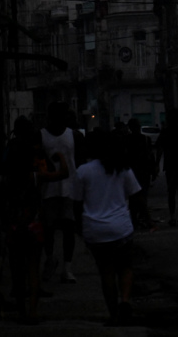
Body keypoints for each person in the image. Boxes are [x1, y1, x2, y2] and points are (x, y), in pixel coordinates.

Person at [73, 130, 142, 326]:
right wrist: (139, 219)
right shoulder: (123, 169)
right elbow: (136, 195)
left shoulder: (83, 171)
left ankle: (113, 314)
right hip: (121, 228)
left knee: (107, 273)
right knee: (126, 267)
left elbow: (77, 203)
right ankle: (125, 300)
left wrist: (80, 227)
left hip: (96, 230)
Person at [4, 116, 68, 324]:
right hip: (34, 221)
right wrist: (60, 157)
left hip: (14, 220)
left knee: (17, 268)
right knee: (33, 267)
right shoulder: (36, 172)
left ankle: (21, 310)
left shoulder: (9, 176)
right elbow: (62, 173)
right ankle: (32, 311)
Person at [39, 103, 78, 285]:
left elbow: (79, 161)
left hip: (69, 188)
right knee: (48, 228)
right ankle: (51, 259)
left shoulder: (73, 135)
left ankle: (66, 268)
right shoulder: (41, 135)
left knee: (68, 228)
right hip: (48, 189)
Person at [155, 109, 178, 226]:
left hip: (170, 165)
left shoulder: (166, 132)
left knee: (171, 192)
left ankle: (172, 217)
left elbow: (159, 148)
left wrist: (157, 164)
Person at [125, 119, 156, 229]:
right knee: (141, 195)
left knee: (134, 197)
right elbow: (150, 155)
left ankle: (136, 218)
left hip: (135, 171)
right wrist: (153, 169)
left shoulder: (127, 140)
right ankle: (140, 218)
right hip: (142, 170)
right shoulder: (144, 139)